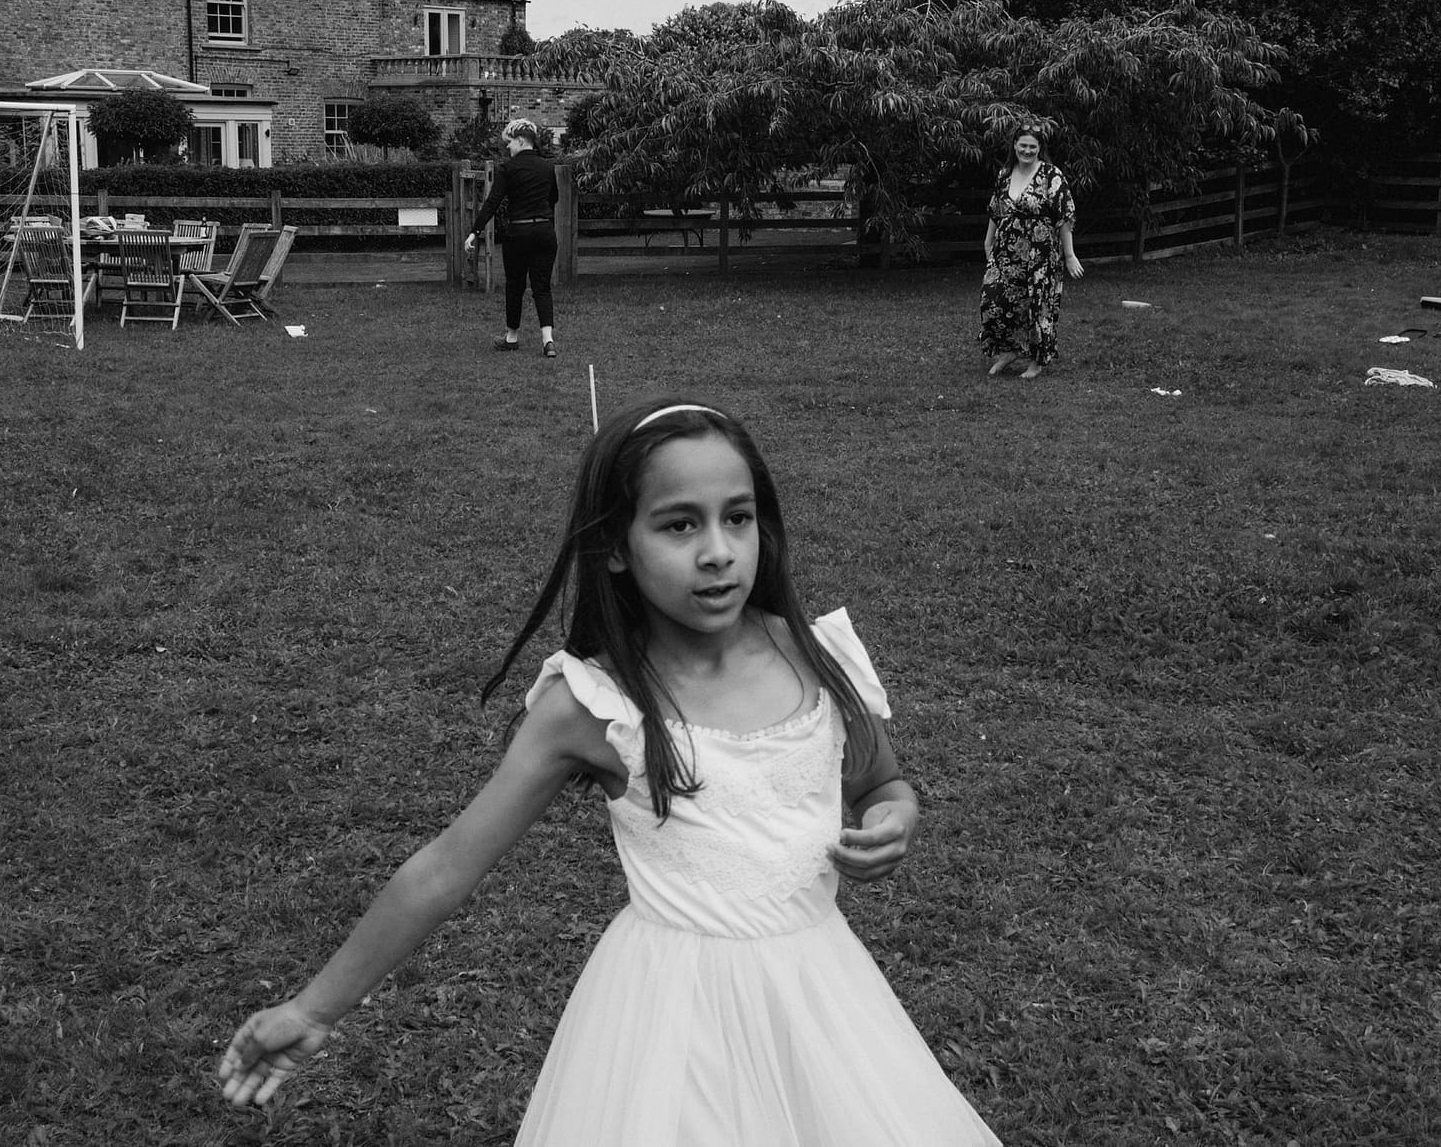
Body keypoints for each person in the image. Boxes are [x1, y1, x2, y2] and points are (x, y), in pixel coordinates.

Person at [219, 398, 1005, 1146]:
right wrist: (316, 1008)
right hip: (668, 1023)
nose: (718, 551)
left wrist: (893, 818)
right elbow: (449, 865)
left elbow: (881, 785)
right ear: (618, 548)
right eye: (678, 525)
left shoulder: (817, 657)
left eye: (737, 517)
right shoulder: (594, 706)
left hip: (824, 1001)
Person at [980, 126, 1082, 380]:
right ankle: (1008, 350)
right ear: (1014, 146)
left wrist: (1069, 255)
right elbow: (996, 210)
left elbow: (1065, 216)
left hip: (1041, 251)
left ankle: (1037, 360)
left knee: (1038, 305)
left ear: (1040, 149)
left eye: (1032, 146)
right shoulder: (1004, 174)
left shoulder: (1051, 175)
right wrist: (988, 240)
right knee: (994, 299)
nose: (1027, 150)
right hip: (1006, 250)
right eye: (1022, 145)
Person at [463, 117, 559, 358]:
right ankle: (548, 341)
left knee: (515, 285)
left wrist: (474, 231)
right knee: (542, 287)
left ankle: (512, 337)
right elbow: (553, 199)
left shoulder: (508, 169)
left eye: (509, 143)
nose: (507, 147)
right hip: (545, 232)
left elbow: (492, 203)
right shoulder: (548, 167)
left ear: (520, 140)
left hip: (518, 233)